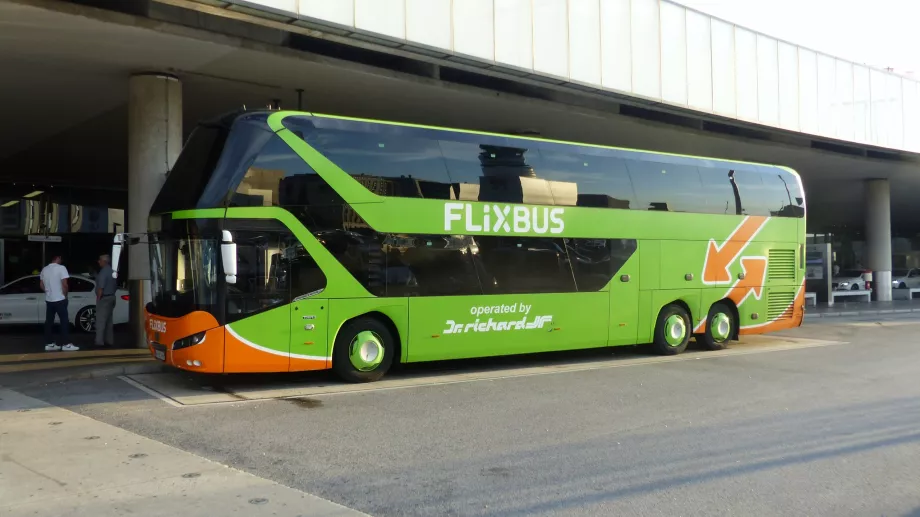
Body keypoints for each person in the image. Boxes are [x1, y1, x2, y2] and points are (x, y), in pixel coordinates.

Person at [40, 255, 78, 351]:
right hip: (60, 299)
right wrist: (65, 295)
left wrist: (48, 291)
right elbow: (65, 284)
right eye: (61, 259)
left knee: (49, 322)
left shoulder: (44, 269)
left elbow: (41, 284)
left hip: (49, 300)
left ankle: (49, 344)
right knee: (64, 321)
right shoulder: (61, 268)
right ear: (58, 258)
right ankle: (66, 344)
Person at [94, 254, 117, 347]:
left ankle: (99, 341)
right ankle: (109, 340)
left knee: (100, 321)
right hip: (112, 297)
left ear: (104, 261)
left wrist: (98, 298)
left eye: (100, 260)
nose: (98, 262)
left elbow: (101, 287)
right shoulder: (112, 271)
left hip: (104, 298)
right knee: (109, 321)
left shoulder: (103, 272)